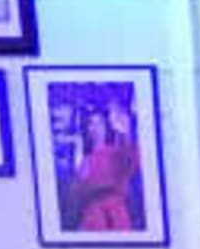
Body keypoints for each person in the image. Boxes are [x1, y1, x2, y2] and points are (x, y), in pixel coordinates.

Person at [59, 99, 144, 234]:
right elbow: (75, 193)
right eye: (90, 124)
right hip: (92, 218)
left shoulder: (115, 151)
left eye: (99, 123)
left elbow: (132, 157)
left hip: (115, 216)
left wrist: (125, 132)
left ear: (106, 127)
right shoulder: (85, 160)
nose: (94, 128)